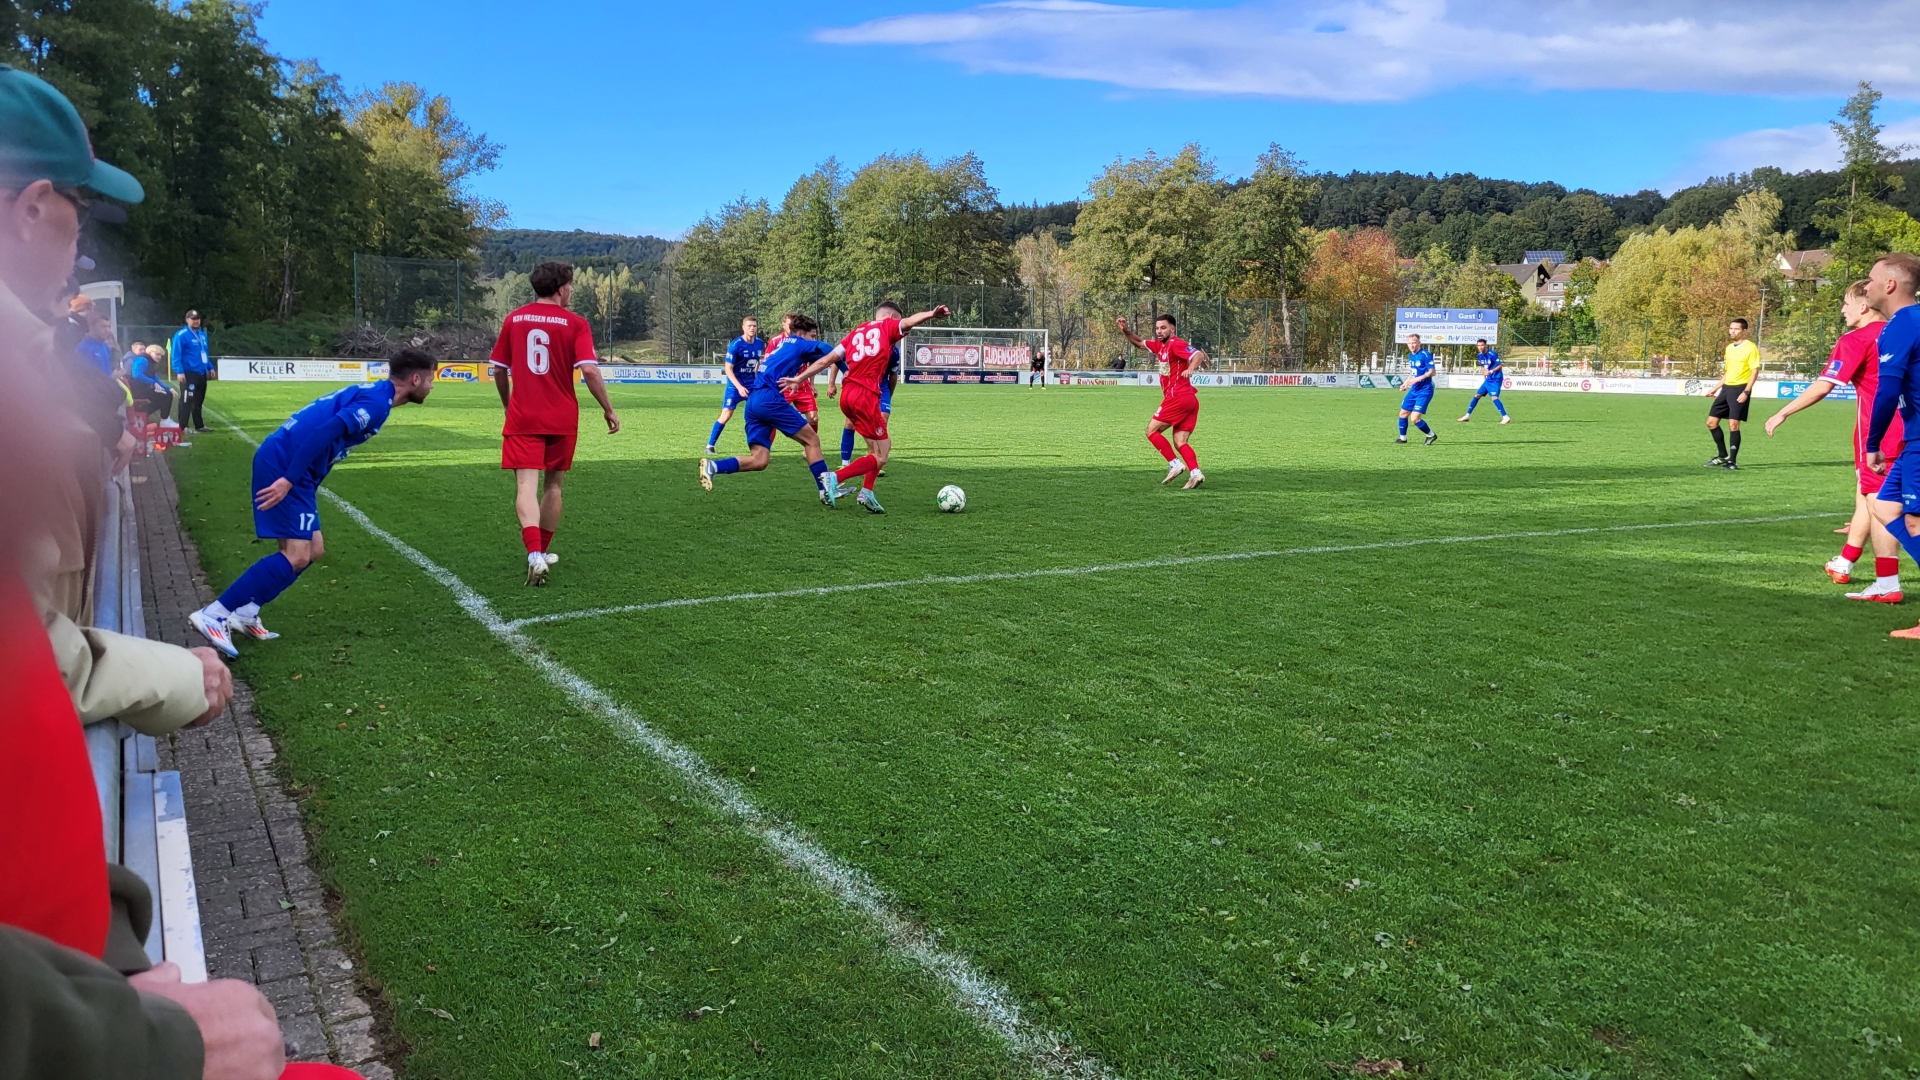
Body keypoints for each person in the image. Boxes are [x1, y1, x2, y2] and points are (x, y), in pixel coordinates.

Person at [186, 349, 437, 656]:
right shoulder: (376, 404)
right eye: (430, 379)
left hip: (294, 469)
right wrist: (289, 480)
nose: (432, 386)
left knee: (313, 549)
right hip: (285, 466)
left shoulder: (377, 393)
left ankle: (246, 611)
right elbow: (324, 432)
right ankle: (215, 614)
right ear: (415, 379)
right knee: (296, 554)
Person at [1765, 279, 1903, 600]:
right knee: (1866, 497)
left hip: (1879, 436)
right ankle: (1844, 562)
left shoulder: (1856, 339)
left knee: (1880, 505)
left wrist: (1783, 412)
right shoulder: (1903, 331)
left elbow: (1824, 385)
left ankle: (1887, 583)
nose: (1842, 310)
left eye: (1845, 303)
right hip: (1910, 428)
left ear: (1863, 306)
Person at [489, 261, 620, 586]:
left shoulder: (514, 319)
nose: (572, 290)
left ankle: (534, 554)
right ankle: (542, 552)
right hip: (562, 417)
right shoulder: (575, 323)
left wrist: (507, 404)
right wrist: (608, 409)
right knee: (554, 486)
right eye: (570, 285)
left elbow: (499, 369)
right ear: (561, 288)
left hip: (524, 416)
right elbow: (589, 370)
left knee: (525, 486)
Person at [786, 301, 951, 513]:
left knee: (878, 447)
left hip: (848, 395)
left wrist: (799, 378)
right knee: (882, 454)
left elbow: (828, 359)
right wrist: (931, 314)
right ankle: (834, 477)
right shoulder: (887, 326)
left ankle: (867, 492)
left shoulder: (857, 331)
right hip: (865, 396)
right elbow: (909, 321)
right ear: (890, 318)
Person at [698, 314, 839, 504]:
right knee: (812, 440)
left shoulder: (782, 344)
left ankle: (713, 466)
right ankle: (826, 491)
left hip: (753, 400)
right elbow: (828, 350)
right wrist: (846, 368)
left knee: (760, 460)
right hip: (768, 399)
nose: (814, 340)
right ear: (800, 333)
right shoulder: (797, 343)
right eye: (812, 336)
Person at [1861, 253, 1920, 638]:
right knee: (1883, 505)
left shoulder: (1901, 324)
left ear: (1890, 285)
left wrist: (1873, 442)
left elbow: (1887, 390)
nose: (1866, 286)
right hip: (1913, 436)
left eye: (1870, 279)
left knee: (1914, 521)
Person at [1118, 313, 1209, 487]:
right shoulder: (1160, 346)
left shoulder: (1175, 344)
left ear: (1172, 329)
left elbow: (1198, 355)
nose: (1159, 331)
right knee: (1180, 441)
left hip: (1178, 397)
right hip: (1189, 400)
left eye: (1163, 328)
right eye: (1157, 328)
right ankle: (1196, 473)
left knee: (1151, 431)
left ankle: (1175, 464)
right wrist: (1125, 330)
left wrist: (1191, 367)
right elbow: (1139, 342)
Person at [1703, 317, 1758, 470]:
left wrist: (1746, 391)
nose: (1732, 331)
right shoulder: (1728, 348)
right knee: (1711, 422)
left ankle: (1732, 461)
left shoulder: (1750, 348)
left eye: (1736, 329)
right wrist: (1715, 388)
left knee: (1733, 424)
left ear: (1744, 331)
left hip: (1740, 389)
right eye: (1731, 328)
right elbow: (1728, 372)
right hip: (1726, 389)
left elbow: (1755, 371)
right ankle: (1722, 455)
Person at [707, 316, 763, 454]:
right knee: (726, 414)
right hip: (735, 385)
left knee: (759, 413)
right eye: (749, 326)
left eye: (754, 326)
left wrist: (756, 377)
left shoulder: (760, 343)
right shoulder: (736, 345)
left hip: (751, 385)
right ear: (743, 327)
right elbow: (728, 369)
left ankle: (759, 446)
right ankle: (710, 445)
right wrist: (739, 387)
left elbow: (757, 363)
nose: (752, 328)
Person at [170, 309, 210, 432]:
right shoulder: (181, 335)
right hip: (188, 372)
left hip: (201, 372)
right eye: (193, 319)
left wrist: (210, 367)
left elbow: (204, 353)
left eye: (198, 318)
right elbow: (176, 354)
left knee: (199, 400)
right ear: (187, 320)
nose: (196, 321)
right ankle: (183, 426)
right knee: (187, 399)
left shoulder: (202, 335)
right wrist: (179, 371)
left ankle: (199, 425)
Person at [1396, 333, 1438, 445]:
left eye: (1414, 342)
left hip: (1425, 390)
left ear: (1419, 343)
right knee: (1403, 413)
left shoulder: (1425, 355)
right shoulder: (1411, 356)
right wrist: (1405, 383)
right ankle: (1403, 438)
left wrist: (1418, 379)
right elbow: (1413, 373)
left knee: (1414, 419)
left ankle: (1431, 435)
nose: (1411, 345)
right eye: (1409, 343)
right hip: (1414, 390)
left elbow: (1432, 372)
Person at [1458, 338, 1509, 423]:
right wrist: (1484, 375)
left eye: (1482, 345)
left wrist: (1491, 371)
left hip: (1496, 378)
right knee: (1477, 395)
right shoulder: (1480, 355)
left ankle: (1505, 417)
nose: (1480, 347)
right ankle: (1467, 416)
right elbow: (1482, 366)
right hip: (1488, 379)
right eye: (1478, 345)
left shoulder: (1492, 353)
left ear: (1486, 345)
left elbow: (1500, 365)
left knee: (1494, 397)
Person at [128, 341, 176, 421]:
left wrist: (169, 389)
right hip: (136, 389)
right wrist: (152, 382)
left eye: (160, 355)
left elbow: (156, 379)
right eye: (157, 354)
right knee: (165, 396)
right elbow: (136, 374)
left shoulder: (150, 363)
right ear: (150, 353)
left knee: (166, 395)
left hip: (143, 388)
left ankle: (142, 414)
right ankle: (164, 420)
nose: (159, 357)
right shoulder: (142, 359)